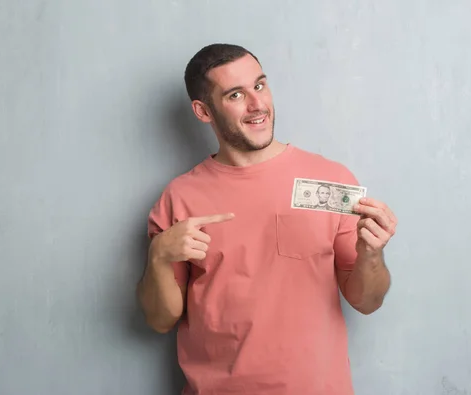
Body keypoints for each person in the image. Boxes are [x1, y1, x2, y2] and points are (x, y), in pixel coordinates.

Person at [136, 43, 398, 395]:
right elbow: (159, 319)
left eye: (259, 86)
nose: (257, 104)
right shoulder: (180, 197)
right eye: (235, 95)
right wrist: (158, 258)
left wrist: (372, 253)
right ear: (203, 111)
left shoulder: (331, 181)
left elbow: (368, 301)